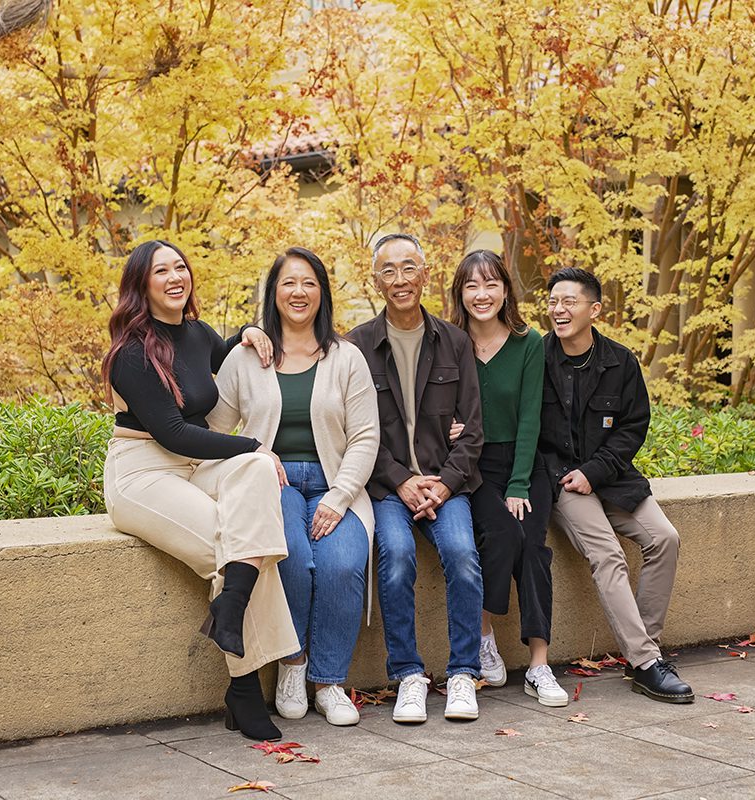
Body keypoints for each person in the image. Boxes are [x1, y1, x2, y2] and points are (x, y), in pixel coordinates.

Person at [101, 240, 301, 742]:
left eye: (181, 267)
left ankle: (229, 607)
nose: (175, 277)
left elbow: (223, 351)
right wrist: (255, 443)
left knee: (255, 473)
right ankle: (245, 689)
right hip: (144, 471)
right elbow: (171, 431)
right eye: (161, 271)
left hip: (195, 465)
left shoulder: (195, 333)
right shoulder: (131, 351)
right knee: (229, 542)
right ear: (141, 285)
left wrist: (249, 333)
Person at [209, 247, 379, 728]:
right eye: (288, 283)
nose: (298, 292)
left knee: (343, 562)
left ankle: (328, 682)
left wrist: (340, 495)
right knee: (293, 562)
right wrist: (252, 452)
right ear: (274, 293)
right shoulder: (248, 356)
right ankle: (293, 665)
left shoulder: (347, 358)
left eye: (309, 283)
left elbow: (366, 436)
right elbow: (216, 429)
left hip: (336, 483)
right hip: (272, 485)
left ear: (322, 292)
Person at [538, 267, 693, 703]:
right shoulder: (536, 357)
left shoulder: (620, 361)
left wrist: (596, 471)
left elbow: (632, 427)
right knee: (607, 555)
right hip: (563, 483)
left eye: (569, 301)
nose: (559, 309)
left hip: (611, 477)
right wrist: (573, 477)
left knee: (665, 538)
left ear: (594, 309)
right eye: (553, 301)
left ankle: (643, 651)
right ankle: (647, 663)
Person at [348, 232, 485, 724]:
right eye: (389, 270)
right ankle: (408, 674)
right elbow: (355, 431)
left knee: (462, 555)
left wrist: (444, 485)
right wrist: (403, 480)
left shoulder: (454, 340)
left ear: (426, 274)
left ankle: (464, 673)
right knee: (398, 555)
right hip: (387, 486)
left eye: (409, 268)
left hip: (447, 485)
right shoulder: (356, 346)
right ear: (376, 279)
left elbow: (473, 431)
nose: (400, 279)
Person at [449, 250, 568, 707]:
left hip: (523, 463)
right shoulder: (450, 341)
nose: (482, 295)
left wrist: (520, 483)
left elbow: (530, 420)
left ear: (505, 290)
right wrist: (446, 428)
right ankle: (483, 636)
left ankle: (539, 663)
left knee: (533, 546)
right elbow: (432, 405)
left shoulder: (527, 342)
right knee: (500, 536)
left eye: (491, 284)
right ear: (460, 293)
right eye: (472, 286)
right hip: (472, 467)